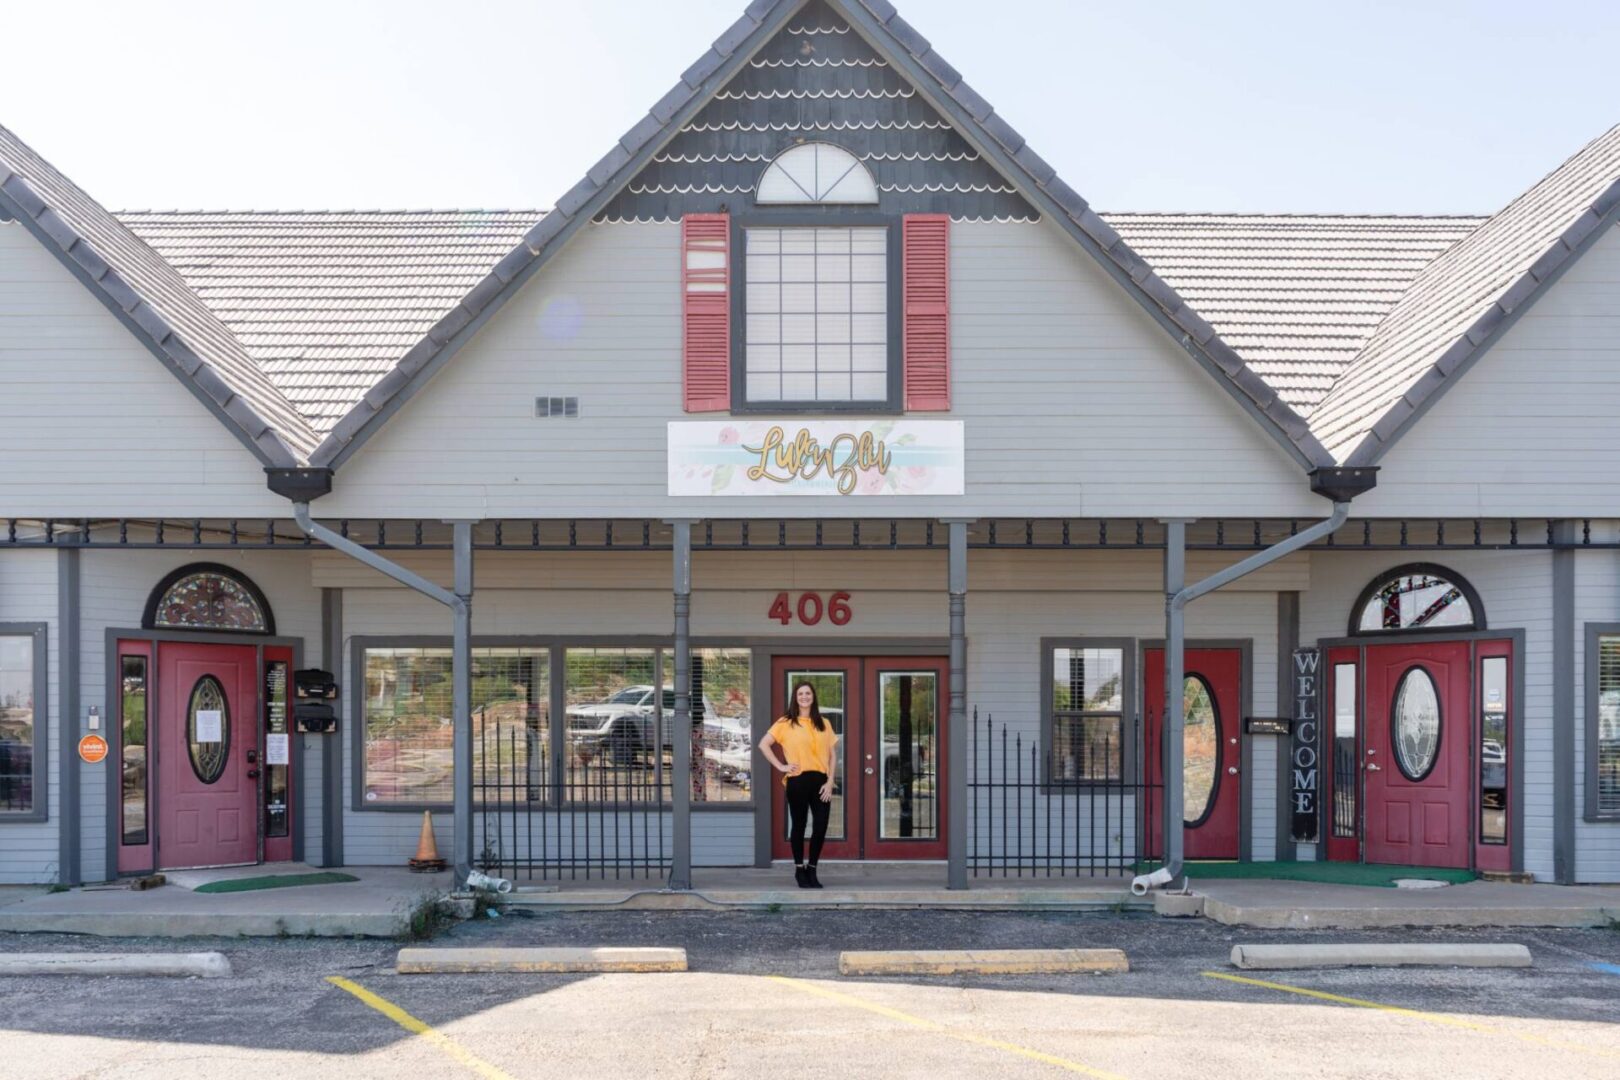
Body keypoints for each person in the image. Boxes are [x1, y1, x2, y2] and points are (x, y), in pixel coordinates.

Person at [758, 681, 837, 888]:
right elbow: (763, 744)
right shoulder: (785, 723)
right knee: (799, 826)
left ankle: (812, 869)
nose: (804, 697)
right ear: (795, 697)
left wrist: (830, 782)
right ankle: (799, 869)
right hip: (798, 780)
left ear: (813, 697)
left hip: (821, 781)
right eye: (800, 693)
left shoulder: (824, 723)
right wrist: (781, 766)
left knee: (820, 826)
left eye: (808, 693)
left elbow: (832, 755)